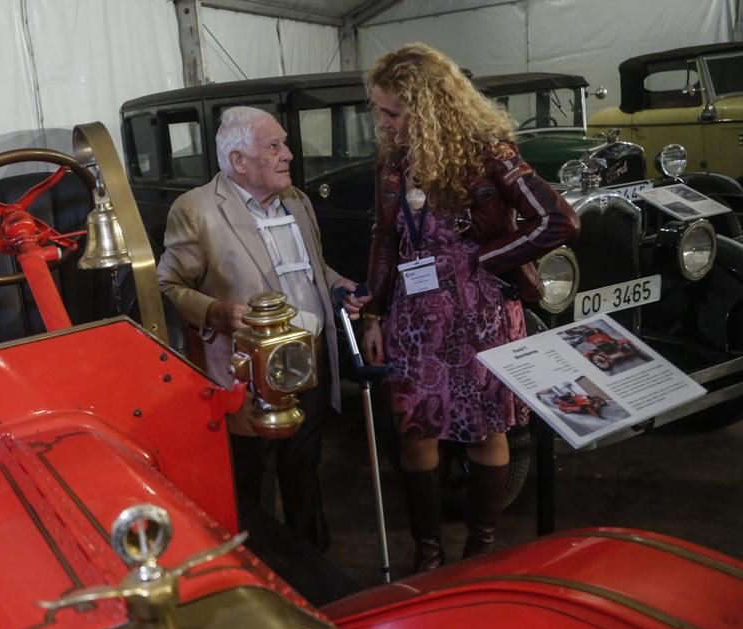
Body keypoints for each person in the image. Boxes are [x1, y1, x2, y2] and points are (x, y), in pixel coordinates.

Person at [360, 44, 579, 571]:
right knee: (415, 429)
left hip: (481, 311)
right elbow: (385, 240)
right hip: (414, 316)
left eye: (393, 112)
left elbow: (559, 221)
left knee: (489, 430)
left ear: (431, 106)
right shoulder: (395, 160)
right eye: (380, 112)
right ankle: (428, 553)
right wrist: (373, 312)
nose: (384, 124)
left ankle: (481, 550)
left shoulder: (489, 152)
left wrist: (483, 259)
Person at [157, 106, 364, 552]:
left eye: (284, 144)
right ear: (238, 161)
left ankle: (313, 561)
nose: (289, 155)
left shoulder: (298, 200)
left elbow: (313, 268)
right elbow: (168, 284)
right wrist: (214, 312)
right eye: (274, 147)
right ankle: (256, 567)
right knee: (251, 480)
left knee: (305, 468)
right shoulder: (196, 210)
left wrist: (337, 284)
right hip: (246, 372)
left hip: (307, 359)